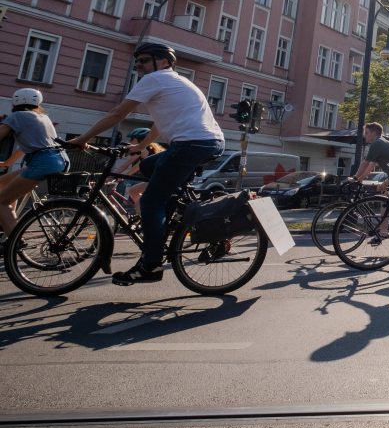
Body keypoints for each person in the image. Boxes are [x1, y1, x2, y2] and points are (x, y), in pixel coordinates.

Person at [67, 42, 225, 285]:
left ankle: (150, 265)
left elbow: (118, 114)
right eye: (137, 61)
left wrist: (82, 139)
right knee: (149, 166)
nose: (138, 65)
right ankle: (176, 214)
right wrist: (140, 147)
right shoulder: (177, 81)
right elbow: (160, 123)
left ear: (162, 61)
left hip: (191, 144)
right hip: (205, 142)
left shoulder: (156, 79)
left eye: (144, 60)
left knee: (151, 201)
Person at [0, 89, 68, 239]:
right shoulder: (43, 117)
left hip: (42, 162)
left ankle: (14, 242)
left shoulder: (16, 116)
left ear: (14, 101)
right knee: (3, 183)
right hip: (58, 160)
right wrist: (8, 163)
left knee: (1, 203)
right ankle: (8, 222)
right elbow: (26, 147)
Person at [112, 127, 163, 216]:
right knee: (133, 191)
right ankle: (144, 213)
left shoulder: (142, 150)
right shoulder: (149, 151)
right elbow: (136, 168)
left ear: (140, 140)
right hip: (157, 180)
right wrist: (121, 177)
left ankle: (144, 220)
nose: (130, 141)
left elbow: (125, 165)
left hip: (158, 181)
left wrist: (110, 177)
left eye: (132, 139)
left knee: (136, 197)